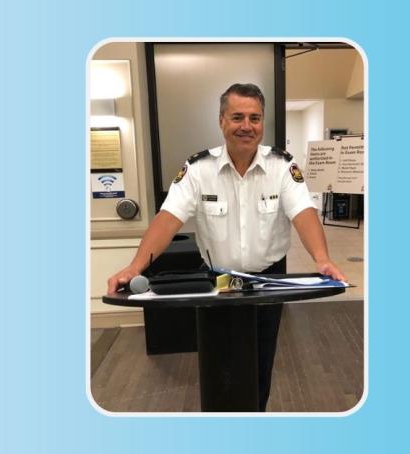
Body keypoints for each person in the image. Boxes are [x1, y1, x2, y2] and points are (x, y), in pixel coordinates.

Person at [107, 83, 345, 411]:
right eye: (237, 117)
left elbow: (303, 213)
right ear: (221, 121)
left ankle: (254, 417)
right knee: (219, 356)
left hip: (267, 280)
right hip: (219, 279)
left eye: (255, 118)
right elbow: (167, 219)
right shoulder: (198, 169)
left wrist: (322, 259)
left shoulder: (281, 166)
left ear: (262, 122)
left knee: (261, 357)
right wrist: (135, 267)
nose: (246, 126)